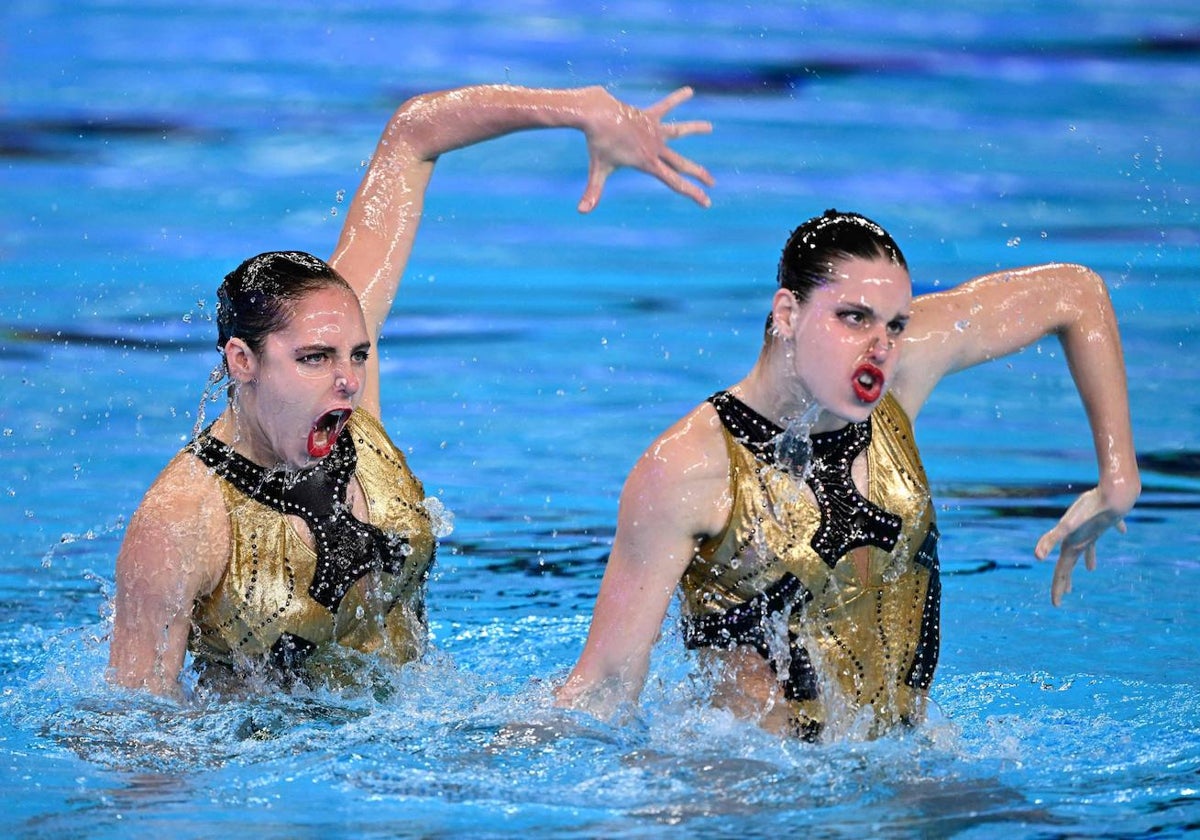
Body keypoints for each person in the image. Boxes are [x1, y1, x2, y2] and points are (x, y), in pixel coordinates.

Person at [107, 84, 714, 698]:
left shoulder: (342, 387)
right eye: (314, 358)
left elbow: (413, 136)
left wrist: (579, 107)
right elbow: (137, 733)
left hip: (417, 728)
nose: (348, 379)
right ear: (243, 360)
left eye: (359, 354)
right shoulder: (182, 521)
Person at [555, 209, 1140, 740]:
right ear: (787, 313)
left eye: (895, 324)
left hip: (902, 763)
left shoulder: (899, 374)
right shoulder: (687, 469)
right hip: (754, 791)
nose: (880, 346)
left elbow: (1074, 292)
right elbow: (604, 688)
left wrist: (1119, 477)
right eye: (853, 317)